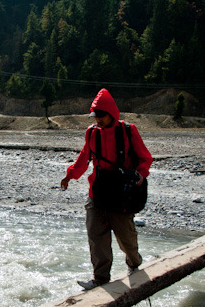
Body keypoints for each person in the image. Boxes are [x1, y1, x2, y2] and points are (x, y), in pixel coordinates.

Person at [60, 89, 153, 290]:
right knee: (96, 234)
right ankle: (100, 278)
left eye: (101, 116)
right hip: (98, 191)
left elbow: (145, 158)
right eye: (95, 116)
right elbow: (84, 157)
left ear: (112, 113)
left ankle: (134, 263)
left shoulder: (129, 131)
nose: (98, 120)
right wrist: (70, 175)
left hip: (121, 193)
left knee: (125, 237)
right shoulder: (92, 132)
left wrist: (140, 174)